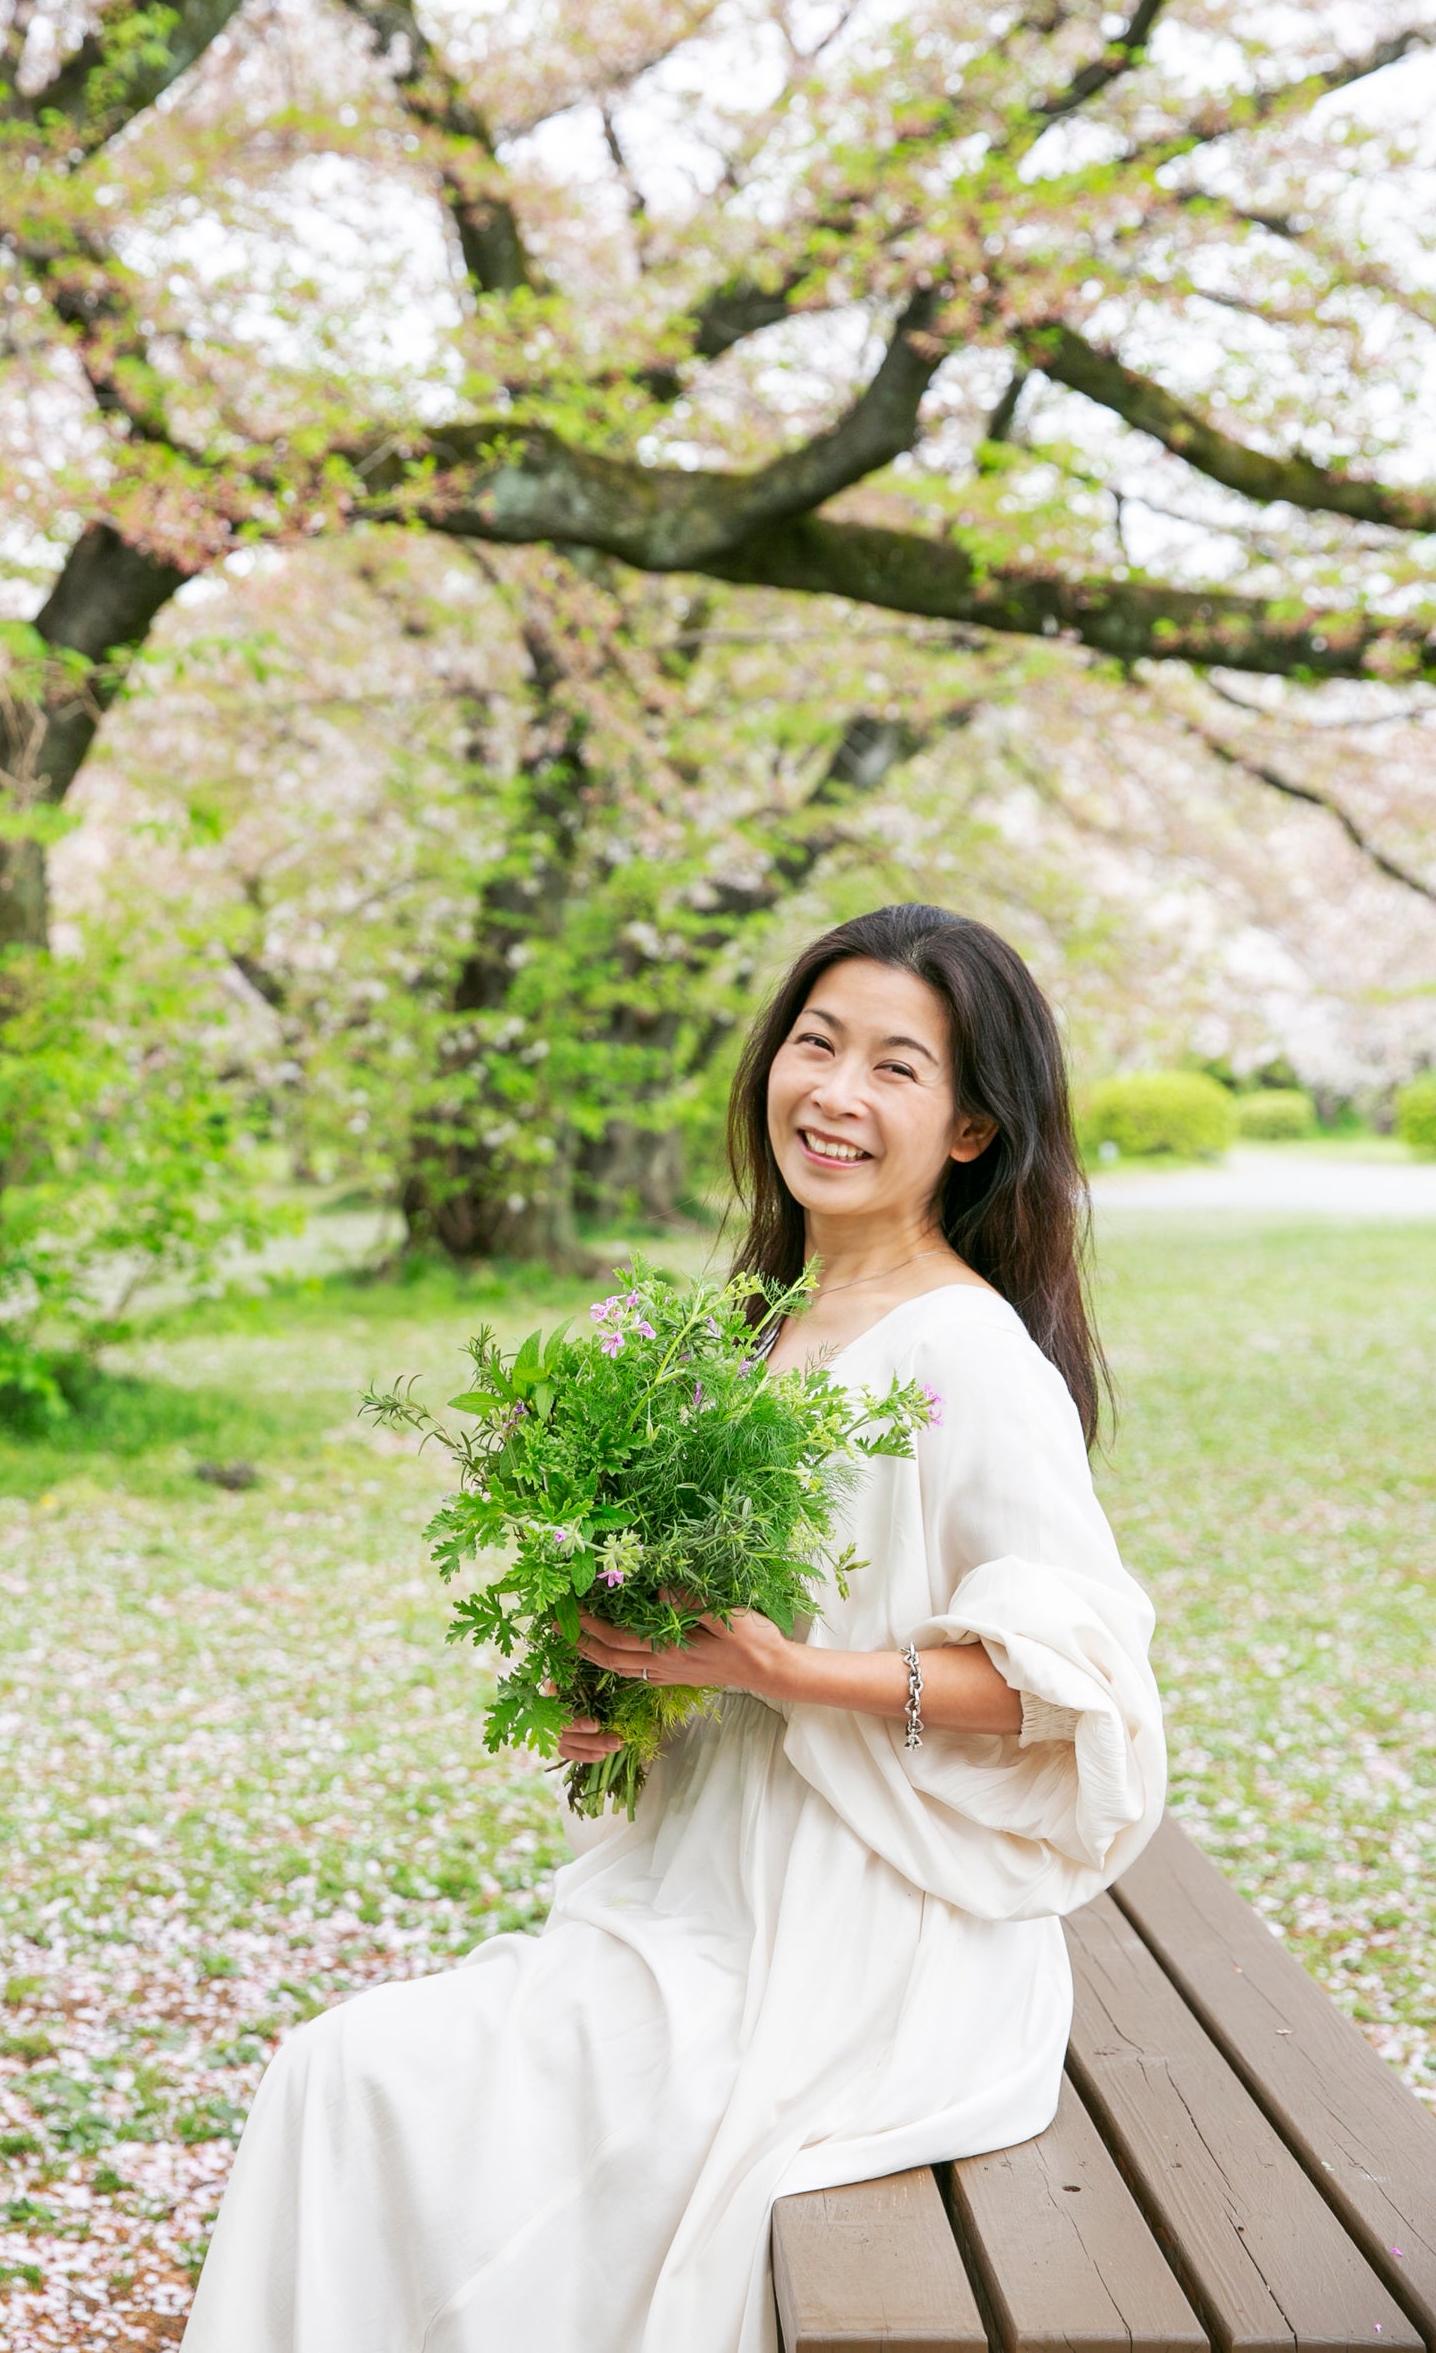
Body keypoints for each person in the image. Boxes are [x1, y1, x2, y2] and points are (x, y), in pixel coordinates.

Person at [181, 903, 1166, 2353]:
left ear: (970, 1129)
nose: (834, 1094)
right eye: (816, 1044)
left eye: (899, 1067)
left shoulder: (967, 1356)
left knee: (364, 2081)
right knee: (349, 2080)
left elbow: (1070, 1687)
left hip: (854, 1921)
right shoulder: (757, 1323)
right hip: (698, 1880)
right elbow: (718, 1623)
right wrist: (640, 1693)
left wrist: (777, 1670)